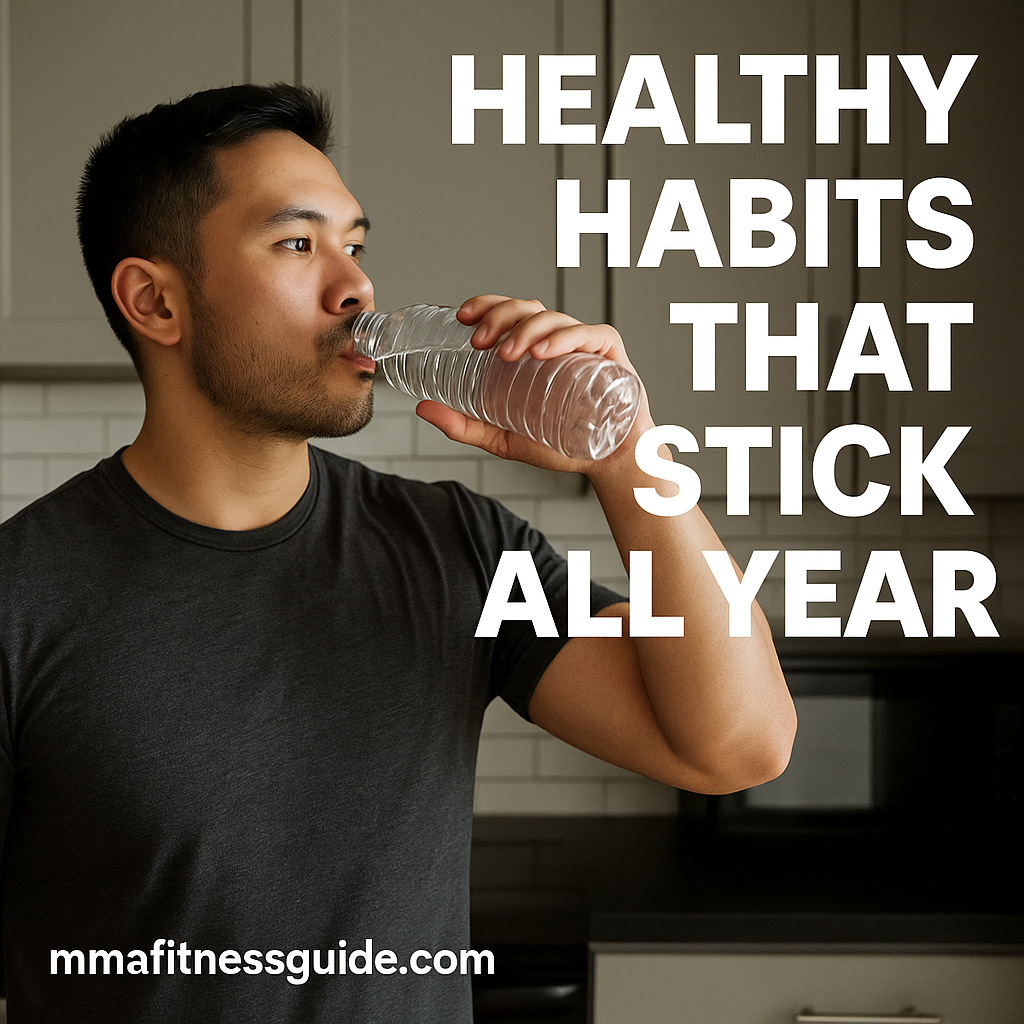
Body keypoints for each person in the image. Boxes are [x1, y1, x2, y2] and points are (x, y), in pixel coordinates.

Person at [0, 84, 795, 1022]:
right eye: (297, 245)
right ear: (156, 301)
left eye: (357, 245)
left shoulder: (458, 548)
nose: (356, 288)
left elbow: (739, 747)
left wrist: (629, 459)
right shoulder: (22, 597)